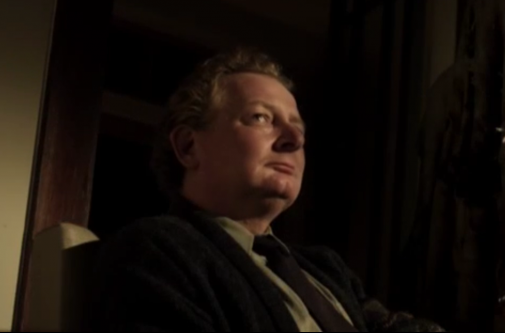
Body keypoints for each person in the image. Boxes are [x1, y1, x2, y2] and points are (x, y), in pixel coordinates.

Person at [88, 48, 444, 332]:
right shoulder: (155, 251)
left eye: (298, 128)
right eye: (261, 117)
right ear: (188, 146)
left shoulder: (326, 268)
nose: (295, 139)